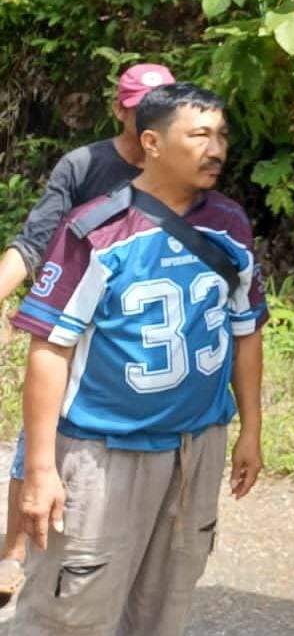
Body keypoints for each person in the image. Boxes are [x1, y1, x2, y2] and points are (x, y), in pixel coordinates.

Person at [9, 83, 267, 635]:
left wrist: (251, 429)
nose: (216, 150)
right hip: (102, 455)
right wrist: (40, 470)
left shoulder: (231, 225)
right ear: (151, 142)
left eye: (222, 136)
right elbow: (50, 349)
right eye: (199, 135)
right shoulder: (97, 231)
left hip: (195, 449)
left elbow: (246, 332)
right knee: (71, 608)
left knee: (165, 599)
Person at [0, 62, 175, 606]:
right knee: (42, 432)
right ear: (119, 110)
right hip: (78, 319)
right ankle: (12, 553)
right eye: (140, 108)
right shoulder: (84, 166)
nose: (150, 117)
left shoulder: (182, 168)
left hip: (141, 329)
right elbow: (35, 241)